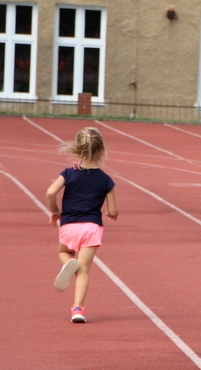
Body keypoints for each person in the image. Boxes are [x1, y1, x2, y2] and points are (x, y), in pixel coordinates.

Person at [45, 127, 118, 323]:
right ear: (102, 151)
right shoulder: (105, 179)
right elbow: (112, 210)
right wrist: (112, 212)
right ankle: (78, 310)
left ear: (78, 149)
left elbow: (51, 192)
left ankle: (67, 262)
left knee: (64, 252)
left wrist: (54, 211)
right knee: (84, 270)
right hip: (92, 227)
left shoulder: (68, 173)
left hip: (70, 224)